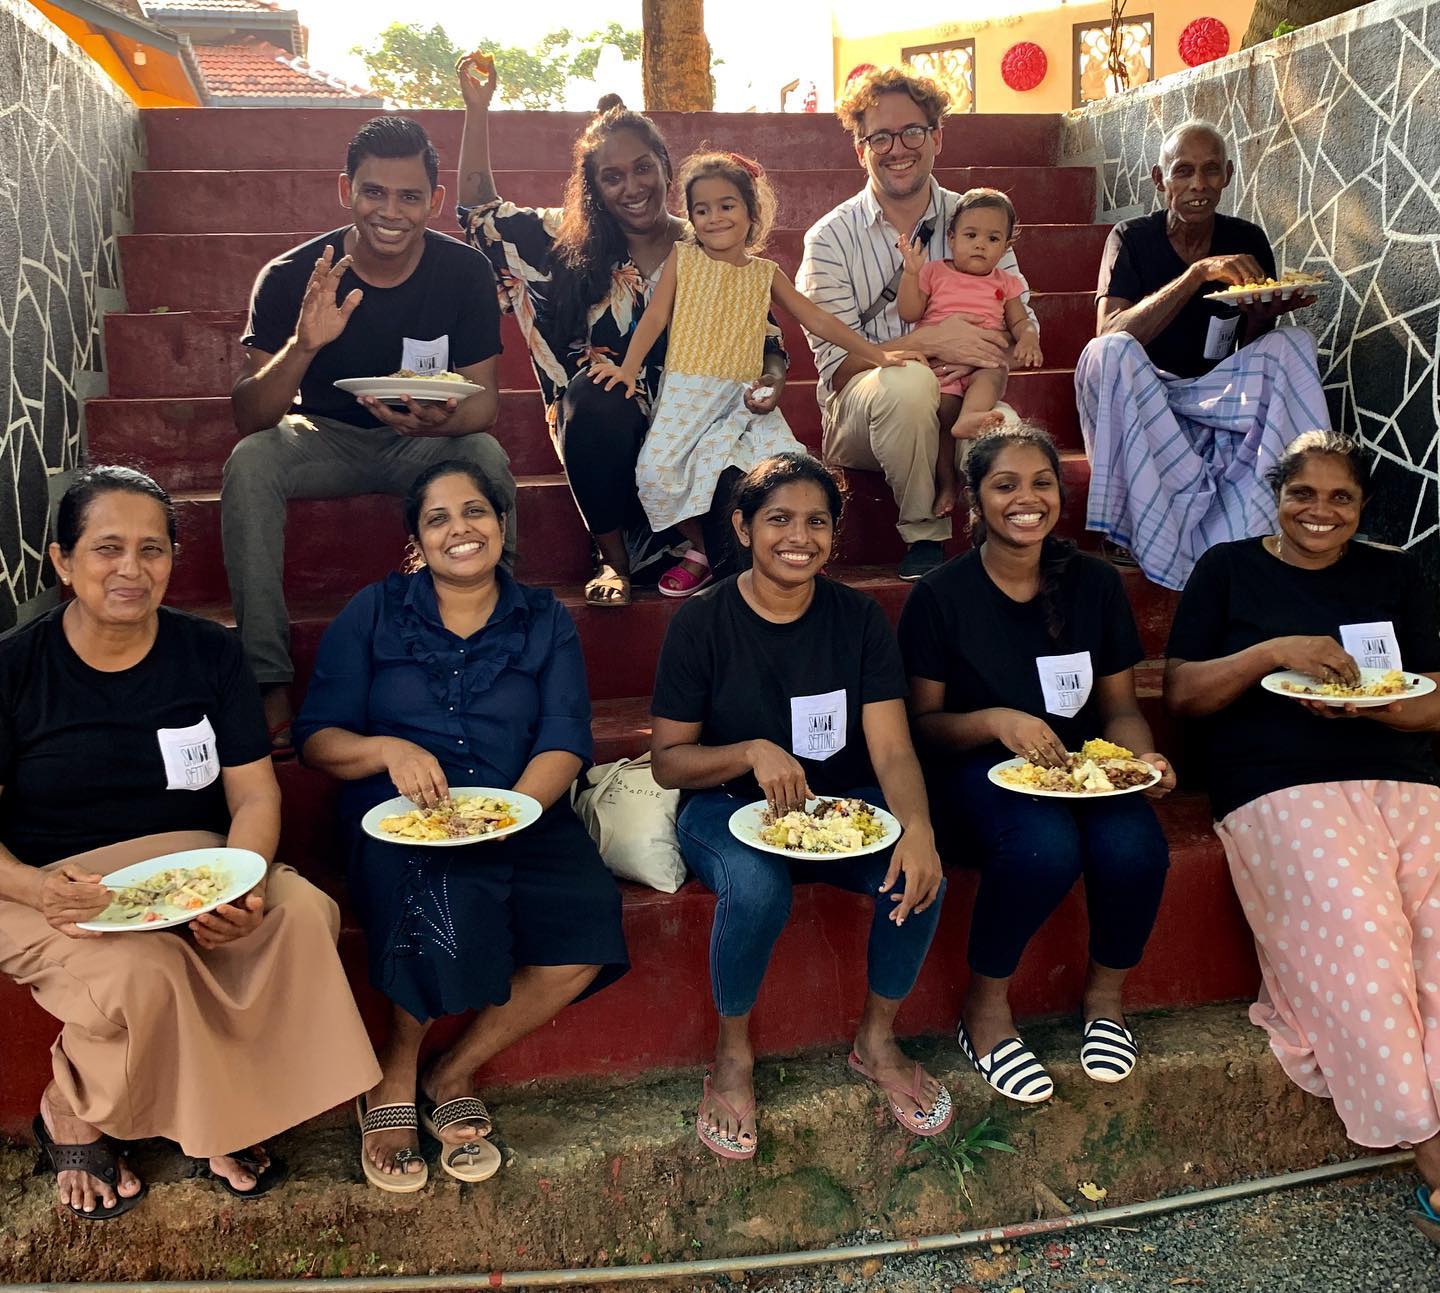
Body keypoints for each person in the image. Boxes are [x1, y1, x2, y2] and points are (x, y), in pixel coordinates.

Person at [0, 467, 380, 1218]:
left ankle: (220, 1113)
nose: (132, 569)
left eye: (153, 548)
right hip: (49, 884)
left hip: (187, 867)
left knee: (300, 913)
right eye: (107, 548)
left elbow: (253, 792)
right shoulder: (14, 667)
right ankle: (72, 1101)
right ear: (61, 561)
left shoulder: (208, 653)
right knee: (150, 966)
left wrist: (245, 878)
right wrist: (33, 887)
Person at [293, 460, 628, 1192]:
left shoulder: (543, 619)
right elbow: (318, 737)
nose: (460, 529)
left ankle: (456, 1067)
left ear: (502, 523)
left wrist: (514, 813)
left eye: (475, 511)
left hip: (520, 806)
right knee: (438, 893)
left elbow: (566, 739)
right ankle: (396, 1070)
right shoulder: (373, 613)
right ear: (416, 539)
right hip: (399, 817)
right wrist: (388, 747)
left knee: (589, 921)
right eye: (438, 517)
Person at [1164, 430, 1440, 1226]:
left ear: (1362, 508)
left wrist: (1384, 708)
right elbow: (1182, 692)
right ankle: (1431, 1153)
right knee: (1365, 948)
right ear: (1276, 498)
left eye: (1340, 497)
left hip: (1406, 778)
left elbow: (1433, 691)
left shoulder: (1391, 574)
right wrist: (1272, 651)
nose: (1319, 511)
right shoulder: (1228, 569)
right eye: (1302, 494)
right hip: (1280, 785)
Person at [650, 453, 949, 1160]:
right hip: (723, 805)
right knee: (756, 889)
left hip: (837, 808)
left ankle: (876, 1041)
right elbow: (669, 760)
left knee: (917, 870)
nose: (799, 536)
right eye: (778, 518)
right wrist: (749, 751)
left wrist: (920, 829)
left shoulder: (858, 618)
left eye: (817, 521)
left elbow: (894, 750)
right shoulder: (702, 623)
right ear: (743, 526)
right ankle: (732, 1055)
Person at [898, 426, 1174, 1104]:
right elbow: (923, 729)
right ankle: (986, 1007)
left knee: (1136, 842)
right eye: (1005, 485)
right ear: (976, 503)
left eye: (1042, 482)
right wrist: (997, 720)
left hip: (1081, 770)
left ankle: (1105, 999)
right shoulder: (940, 596)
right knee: (1043, 846)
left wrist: (1140, 758)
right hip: (975, 775)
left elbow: (1119, 708)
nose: (1027, 498)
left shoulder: (1096, 585)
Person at [224, 115, 517, 754]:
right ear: (345, 190)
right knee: (251, 462)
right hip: (321, 435)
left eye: (409, 196)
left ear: (435, 202)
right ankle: (268, 680)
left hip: (424, 443)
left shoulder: (464, 272)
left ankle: (505, 637)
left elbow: (484, 404)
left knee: (485, 456)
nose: (391, 211)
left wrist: (440, 419)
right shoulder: (292, 274)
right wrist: (303, 346)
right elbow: (251, 415)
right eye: (373, 193)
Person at [456, 58, 789, 606]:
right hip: (605, 431)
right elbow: (478, 214)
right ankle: (612, 558)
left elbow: (768, 343)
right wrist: (476, 109)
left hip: (698, 427)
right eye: (612, 176)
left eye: (643, 169)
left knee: (746, 562)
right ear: (594, 186)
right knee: (599, 394)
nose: (631, 187)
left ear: (665, 168)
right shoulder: (567, 245)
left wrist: (772, 381)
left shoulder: (707, 244)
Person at [591, 151, 912, 594]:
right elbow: (655, 317)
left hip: (743, 399)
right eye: (701, 210)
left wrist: (877, 356)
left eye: (727, 206)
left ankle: (797, 558)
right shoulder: (683, 260)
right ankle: (703, 549)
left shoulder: (765, 273)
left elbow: (816, 319)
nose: (714, 218)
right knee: (654, 473)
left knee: (792, 470)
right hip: (687, 392)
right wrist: (629, 368)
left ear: (750, 212)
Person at [797, 66, 1037, 582]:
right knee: (909, 383)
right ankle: (923, 535)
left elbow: (1014, 328)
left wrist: (995, 350)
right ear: (860, 149)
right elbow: (837, 371)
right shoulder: (829, 239)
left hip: (963, 388)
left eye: (912, 131)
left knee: (1008, 433)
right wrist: (925, 341)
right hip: (862, 409)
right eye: (878, 136)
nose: (897, 147)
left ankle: (1001, 558)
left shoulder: (978, 218)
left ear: (937, 137)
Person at [1076, 119, 1329, 592]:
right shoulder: (1130, 238)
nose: (1198, 185)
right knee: (1107, 353)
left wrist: (1264, 311)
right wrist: (1196, 275)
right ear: (1160, 179)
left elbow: (1255, 348)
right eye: (1183, 171)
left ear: (1228, 175)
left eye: (1211, 171)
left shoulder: (1248, 238)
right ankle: (1128, 521)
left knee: (1293, 345)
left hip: (1215, 392)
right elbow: (1110, 331)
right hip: (1145, 391)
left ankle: (1297, 508)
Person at [896, 187, 1043, 519]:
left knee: (993, 373)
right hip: (940, 365)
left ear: (1006, 247)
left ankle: (971, 417)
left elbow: (1020, 321)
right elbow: (909, 312)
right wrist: (911, 272)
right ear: (951, 237)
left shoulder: (1006, 283)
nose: (980, 244)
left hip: (983, 363)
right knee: (940, 420)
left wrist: (1029, 339)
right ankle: (946, 483)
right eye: (971, 234)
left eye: (993, 239)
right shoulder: (934, 272)